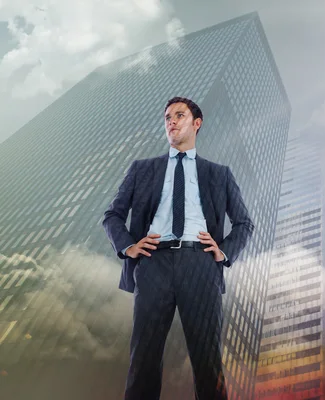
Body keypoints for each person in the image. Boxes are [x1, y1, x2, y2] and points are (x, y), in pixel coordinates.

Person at [103, 96, 254, 400]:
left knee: (208, 362)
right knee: (143, 360)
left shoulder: (219, 174)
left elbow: (244, 224)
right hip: (153, 263)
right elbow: (113, 215)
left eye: (179, 115)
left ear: (196, 123)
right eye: (167, 117)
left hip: (200, 265)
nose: (171, 121)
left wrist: (223, 252)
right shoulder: (142, 169)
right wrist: (129, 246)